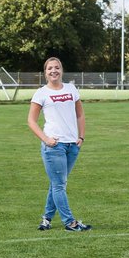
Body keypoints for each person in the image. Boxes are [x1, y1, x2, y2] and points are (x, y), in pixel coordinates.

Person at [27, 57, 91, 231]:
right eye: (49, 68)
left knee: (57, 183)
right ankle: (70, 222)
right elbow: (31, 121)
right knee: (59, 184)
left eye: (57, 68)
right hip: (54, 147)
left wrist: (81, 137)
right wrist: (46, 139)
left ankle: (46, 219)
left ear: (61, 70)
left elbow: (80, 115)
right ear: (45, 72)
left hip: (72, 145)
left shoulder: (71, 89)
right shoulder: (41, 93)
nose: (53, 71)